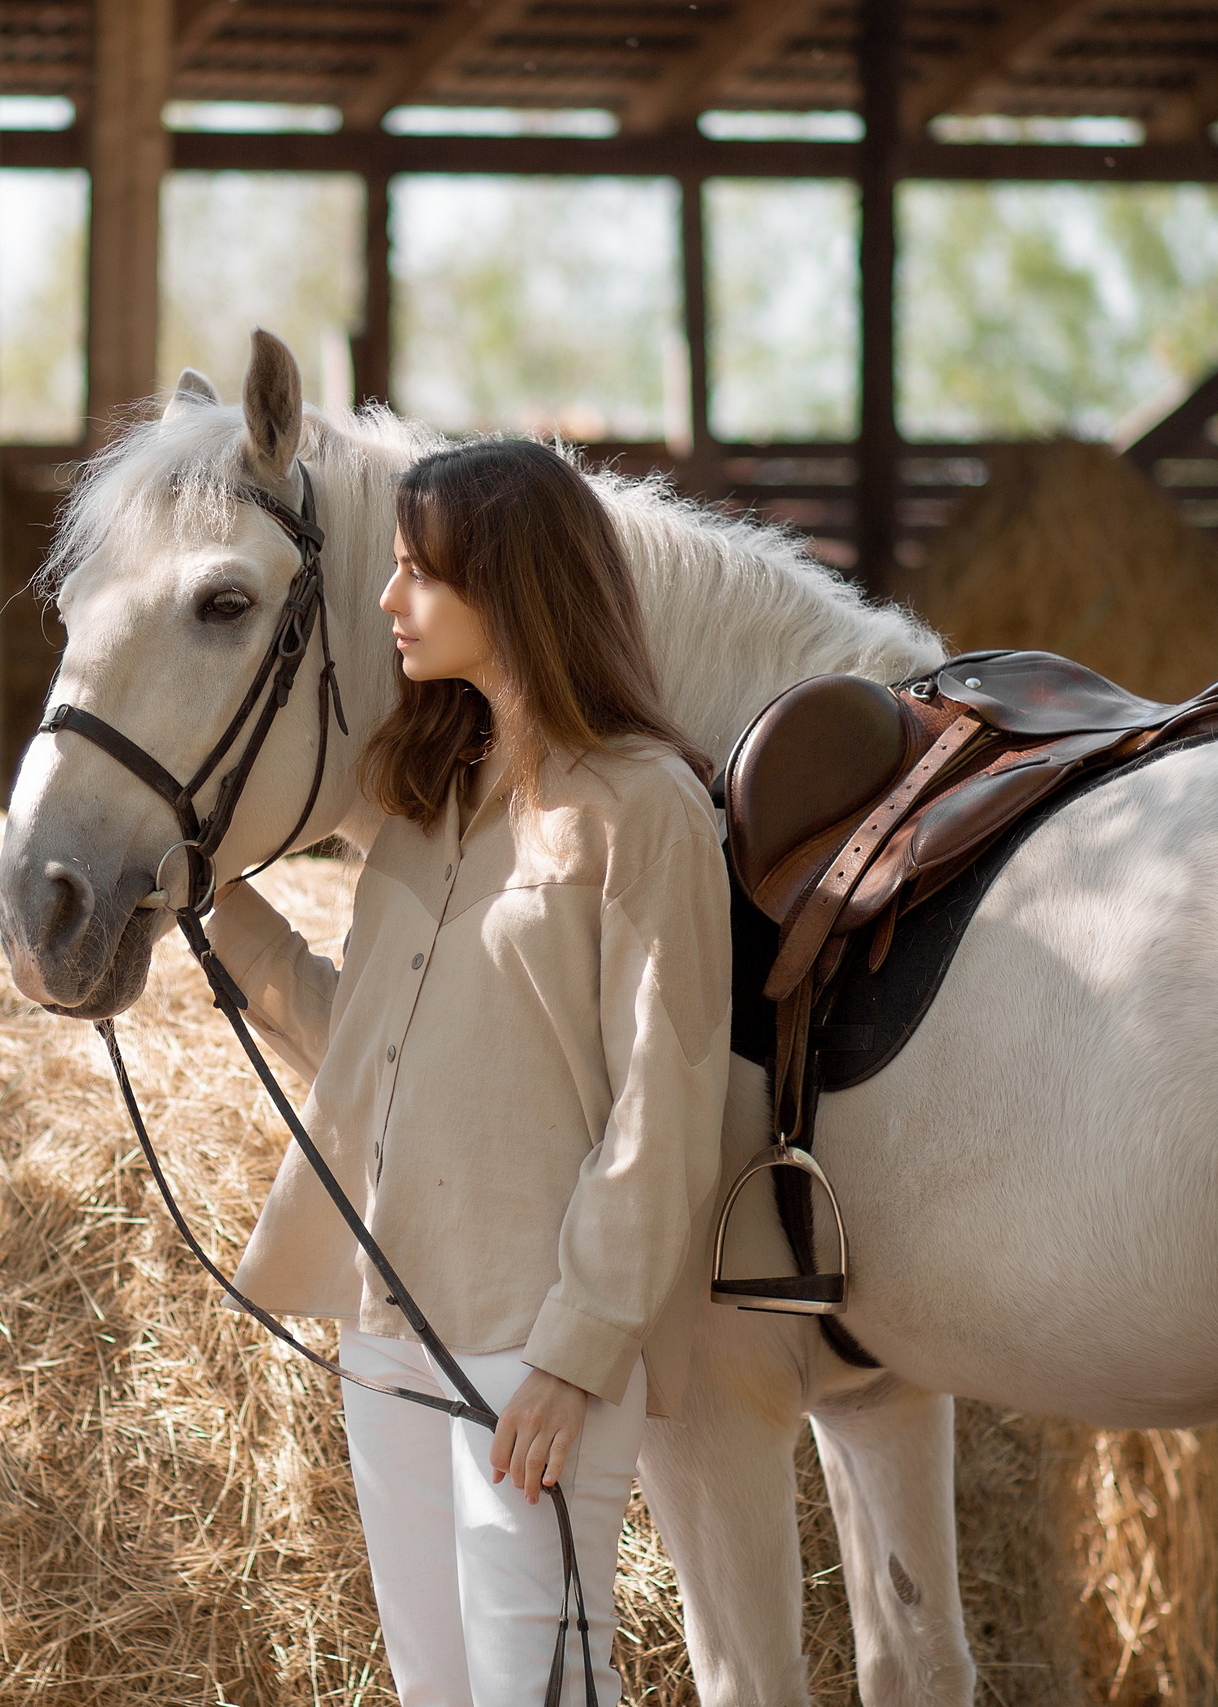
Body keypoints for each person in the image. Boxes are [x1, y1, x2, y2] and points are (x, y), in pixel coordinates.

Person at [205, 437, 734, 1705]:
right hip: (389, 1323)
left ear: (510, 588)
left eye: (416, 575)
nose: (388, 603)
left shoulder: (644, 808)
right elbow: (370, 1055)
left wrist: (577, 1351)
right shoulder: (415, 801)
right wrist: (216, 909)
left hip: (528, 1345)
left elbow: (665, 1105)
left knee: (538, 1693)